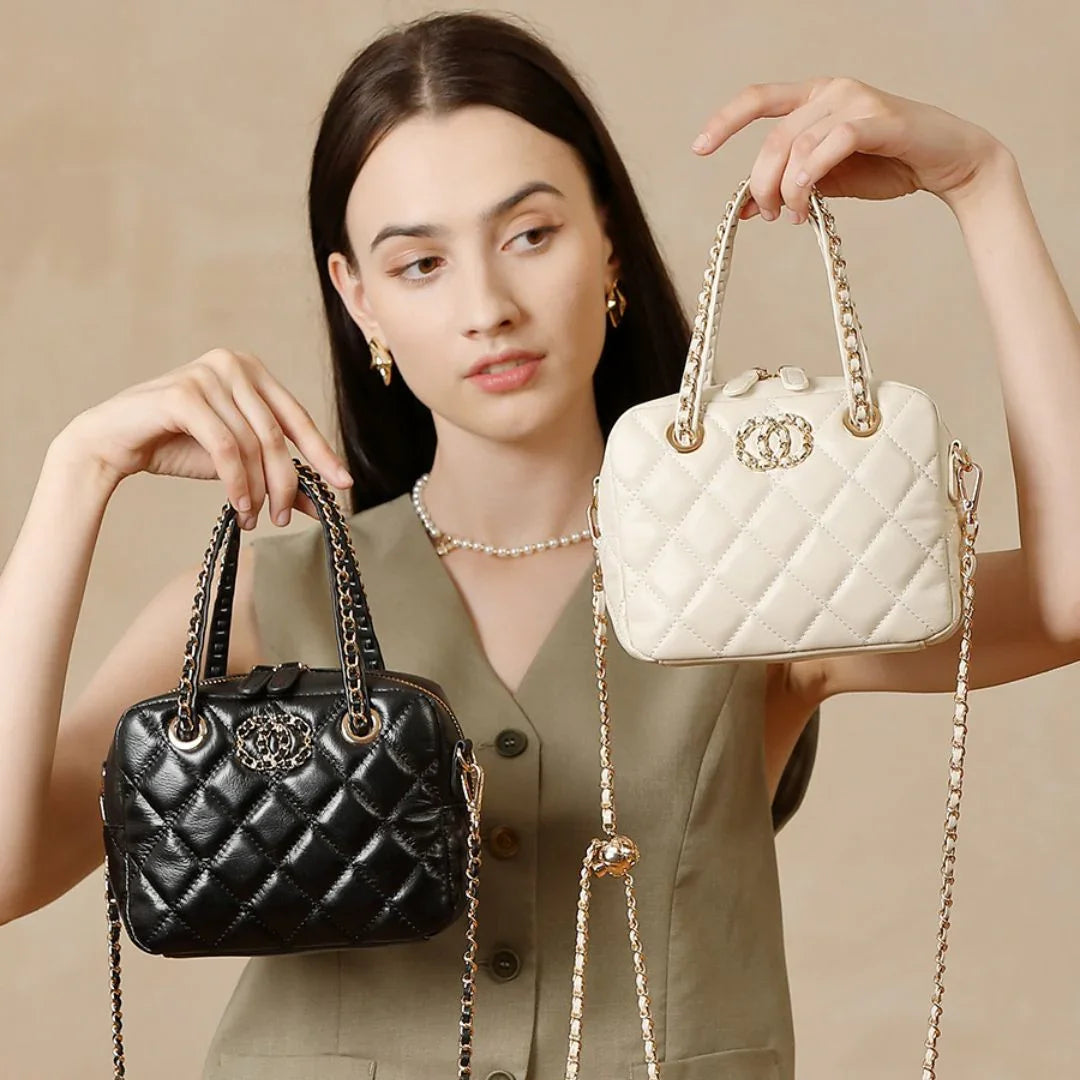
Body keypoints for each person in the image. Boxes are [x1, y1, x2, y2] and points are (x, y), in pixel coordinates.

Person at [3, 9, 1080, 1079]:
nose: (488, 306)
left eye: (529, 234)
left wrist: (980, 185)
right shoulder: (265, 596)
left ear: (606, 238)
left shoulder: (757, 574)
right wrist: (75, 477)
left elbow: (1068, 603)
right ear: (357, 298)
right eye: (420, 263)